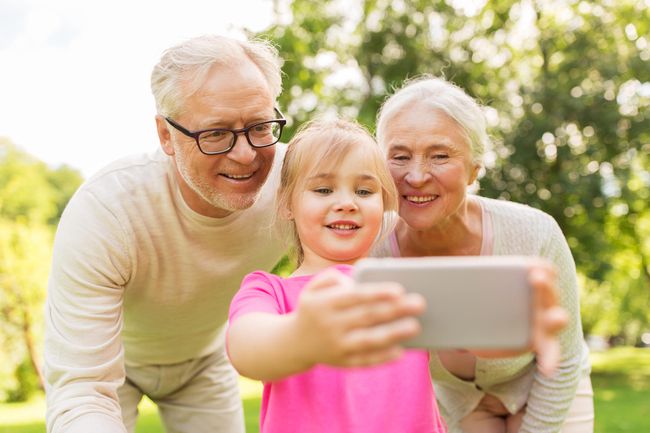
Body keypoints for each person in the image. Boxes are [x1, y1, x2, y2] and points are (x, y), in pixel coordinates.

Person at [43, 35, 291, 433]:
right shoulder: (107, 213)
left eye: (260, 126)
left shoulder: (295, 187)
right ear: (165, 135)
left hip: (203, 360)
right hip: (112, 362)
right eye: (215, 133)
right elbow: (83, 390)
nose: (245, 154)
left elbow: (386, 227)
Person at [373, 76, 594, 433]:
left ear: (475, 168)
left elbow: (564, 358)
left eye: (440, 156)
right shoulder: (369, 250)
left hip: (550, 384)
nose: (415, 176)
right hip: (458, 402)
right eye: (399, 156)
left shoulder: (535, 233)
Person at [226, 117, 448, 433]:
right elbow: (246, 347)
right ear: (288, 203)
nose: (346, 203)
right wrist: (302, 333)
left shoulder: (406, 288)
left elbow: (471, 353)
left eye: (364, 190)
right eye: (323, 189)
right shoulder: (268, 291)